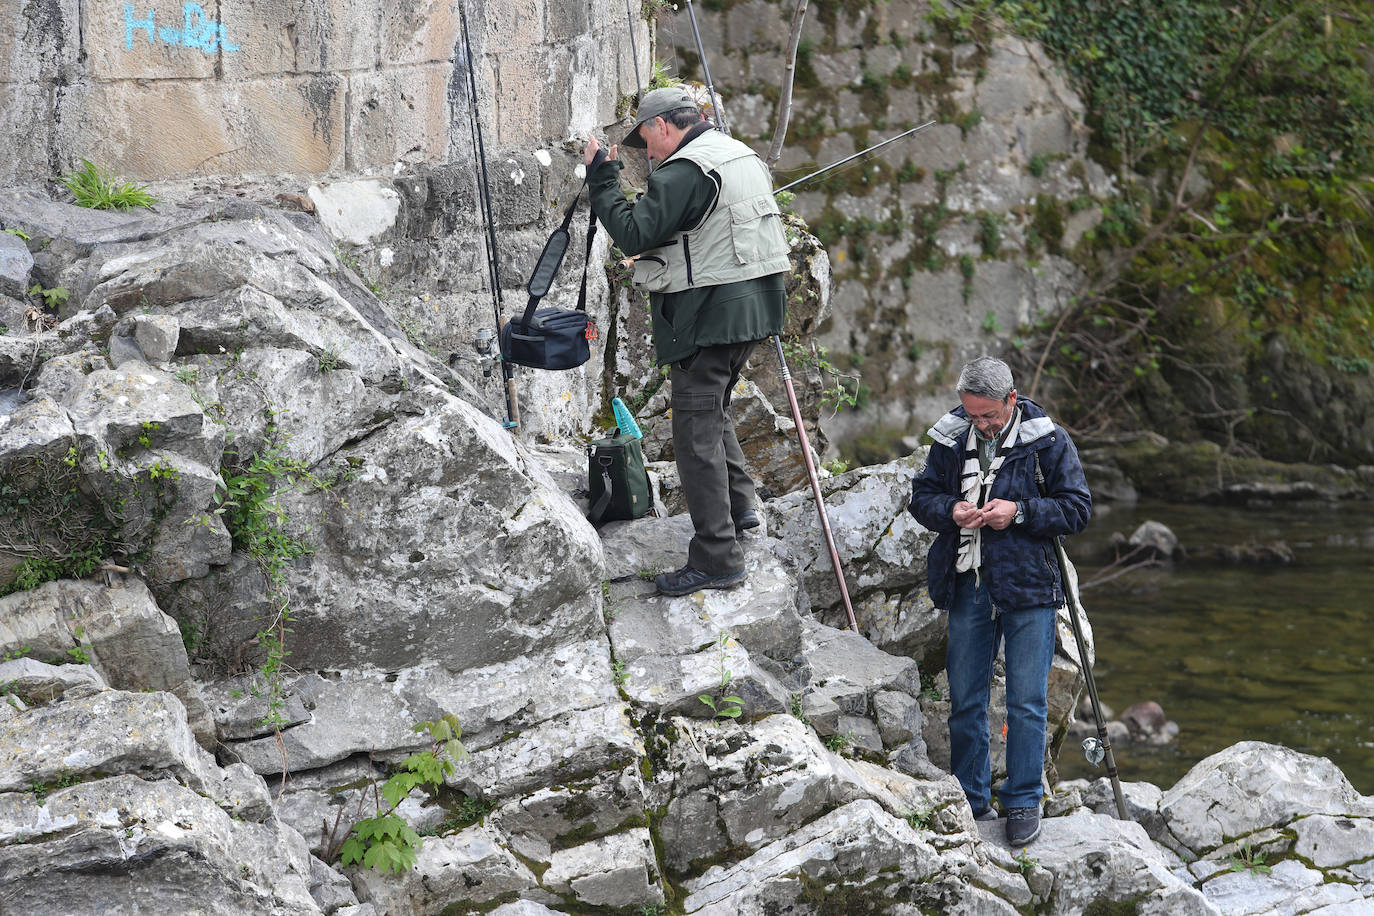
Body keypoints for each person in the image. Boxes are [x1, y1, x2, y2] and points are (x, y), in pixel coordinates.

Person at [582, 86, 790, 597]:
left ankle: (717, 557)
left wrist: (601, 177)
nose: (647, 154)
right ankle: (741, 512)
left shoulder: (685, 169)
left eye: (645, 141)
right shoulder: (739, 154)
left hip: (708, 316)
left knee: (694, 433)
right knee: (712, 409)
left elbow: (633, 234)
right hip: (756, 308)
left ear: (662, 127)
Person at [908, 356, 1091, 846]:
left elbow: (1077, 508)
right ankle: (972, 798)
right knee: (965, 699)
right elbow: (921, 497)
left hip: (1030, 587)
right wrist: (951, 509)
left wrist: (1022, 512)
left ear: (1012, 400)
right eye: (972, 415)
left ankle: (1024, 800)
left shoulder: (1047, 441)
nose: (980, 424)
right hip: (969, 581)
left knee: (1026, 702)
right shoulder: (951, 438)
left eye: (988, 415)